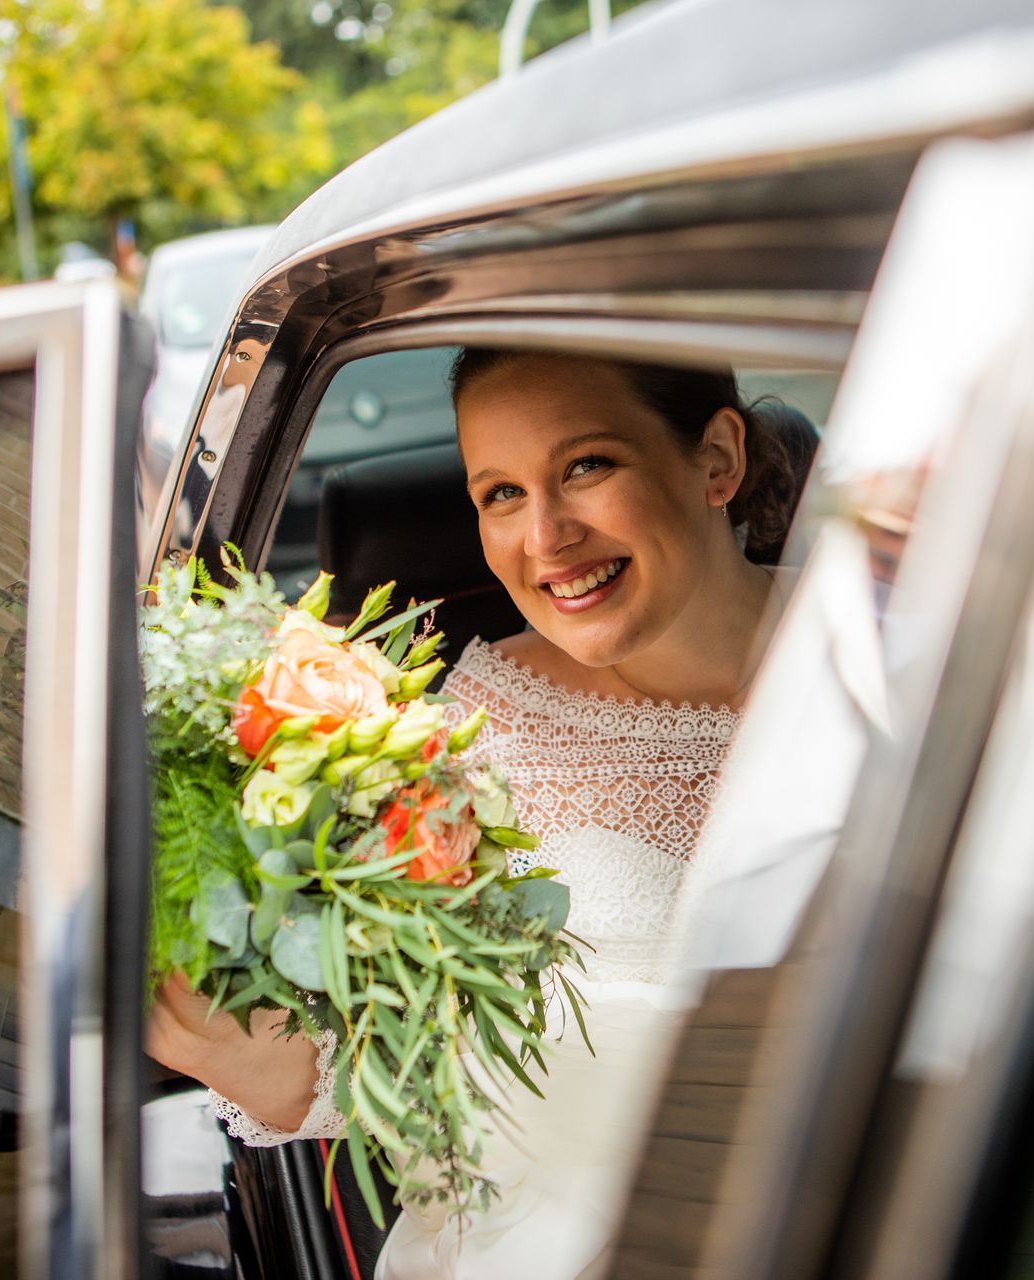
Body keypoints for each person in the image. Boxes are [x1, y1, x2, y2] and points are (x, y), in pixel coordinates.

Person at [146, 348, 808, 1278]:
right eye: (501, 494)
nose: (546, 536)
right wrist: (248, 1032)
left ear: (718, 459)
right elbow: (397, 1046)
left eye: (587, 465)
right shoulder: (467, 743)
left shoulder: (908, 649)